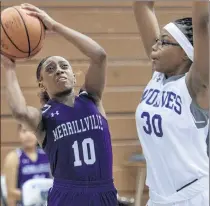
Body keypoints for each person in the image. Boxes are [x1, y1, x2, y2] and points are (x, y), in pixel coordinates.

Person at [1, 3, 117, 206]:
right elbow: (19, 111)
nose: (59, 71)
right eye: (51, 68)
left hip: (104, 192)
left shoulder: (92, 98)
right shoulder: (44, 117)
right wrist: (9, 67)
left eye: (64, 67)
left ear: (74, 76)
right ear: (41, 84)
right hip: (67, 196)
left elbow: (99, 55)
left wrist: (54, 25)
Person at [133, 1, 209, 206]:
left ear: (186, 52)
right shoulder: (157, 76)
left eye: (164, 42)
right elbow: (142, 5)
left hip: (194, 197)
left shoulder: (197, 85)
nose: (155, 47)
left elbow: (203, 23)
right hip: (159, 198)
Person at [3, 124, 51, 206]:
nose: (28, 135)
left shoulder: (47, 155)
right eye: (24, 131)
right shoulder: (13, 157)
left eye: (32, 131)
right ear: (19, 135)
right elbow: (10, 193)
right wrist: (34, 194)